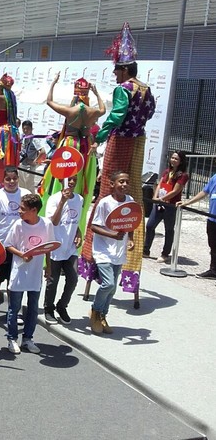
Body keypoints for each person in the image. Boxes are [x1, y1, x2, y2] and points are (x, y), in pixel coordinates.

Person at [79, 23, 155, 301]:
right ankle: (129, 266)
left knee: (108, 193)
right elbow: (147, 114)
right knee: (133, 197)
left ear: (124, 69)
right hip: (138, 142)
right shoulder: (146, 89)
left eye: (115, 69)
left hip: (121, 141)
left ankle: (95, 261)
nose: (114, 73)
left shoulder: (123, 89)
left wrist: (101, 134)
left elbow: (118, 114)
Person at [43, 73, 106, 235]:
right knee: (81, 182)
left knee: (62, 178)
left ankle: (58, 211)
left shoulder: (70, 111)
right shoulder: (92, 112)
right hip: (85, 147)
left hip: (70, 145)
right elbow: (103, 109)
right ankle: (76, 216)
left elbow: (49, 101)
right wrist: (97, 93)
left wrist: (53, 83)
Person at [3, 193, 54, 354]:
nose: (19, 211)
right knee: (14, 308)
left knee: (33, 308)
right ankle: (12, 339)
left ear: (33, 210)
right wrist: (22, 255)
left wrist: (49, 267)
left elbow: (48, 247)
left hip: (35, 274)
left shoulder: (46, 224)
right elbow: (8, 245)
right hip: (19, 273)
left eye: (23, 209)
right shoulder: (18, 225)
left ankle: (28, 339)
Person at [88, 172, 135, 334]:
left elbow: (132, 222)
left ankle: (103, 316)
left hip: (119, 251)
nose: (124, 184)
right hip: (103, 250)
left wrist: (130, 239)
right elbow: (94, 226)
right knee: (108, 283)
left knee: (113, 288)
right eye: (121, 181)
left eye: (127, 182)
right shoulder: (104, 203)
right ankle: (95, 311)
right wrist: (112, 235)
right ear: (113, 184)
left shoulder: (130, 202)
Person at [0, 167, 30, 319]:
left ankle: (14, 311)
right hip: (0, 244)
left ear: (18, 178)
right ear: (2, 180)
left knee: (16, 281)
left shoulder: (25, 194)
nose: (12, 182)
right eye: (8, 179)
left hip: (19, 246)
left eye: (14, 178)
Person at [44, 176, 82, 324]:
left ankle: (62, 306)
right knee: (53, 281)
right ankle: (48, 308)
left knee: (73, 278)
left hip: (70, 248)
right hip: (56, 246)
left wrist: (78, 232)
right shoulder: (53, 199)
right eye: (68, 180)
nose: (72, 182)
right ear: (61, 181)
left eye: (74, 179)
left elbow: (74, 220)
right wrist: (62, 202)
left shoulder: (79, 199)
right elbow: (53, 222)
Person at [143, 151, 189, 263]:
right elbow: (159, 184)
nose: (173, 160)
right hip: (159, 204)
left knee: (169, 229)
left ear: (181, 161)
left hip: (170, 205)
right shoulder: (167, 171)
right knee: (150, 225)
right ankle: (146, 249)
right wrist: (155, 196)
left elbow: (175, 190)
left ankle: (165, 253)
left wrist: (162, 199)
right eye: (172, 158)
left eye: (176, 159)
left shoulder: (183, 175)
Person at [177, 171, 216, 279]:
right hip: (212, 218)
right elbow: (204, 192)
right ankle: (213, 270)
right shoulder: (214, 177)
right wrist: (188, 202)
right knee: (213, 246)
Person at [18, 120, 46, 192]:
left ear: (31, 129)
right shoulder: (22, 137)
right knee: (21, 184)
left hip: (29, 166)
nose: (25, 130)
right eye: (24, 128)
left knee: (29, 184)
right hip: (21, 164)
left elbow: (42, 151)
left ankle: (32, 199)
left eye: (27, 128)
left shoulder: (34, 139)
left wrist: (35, 161)